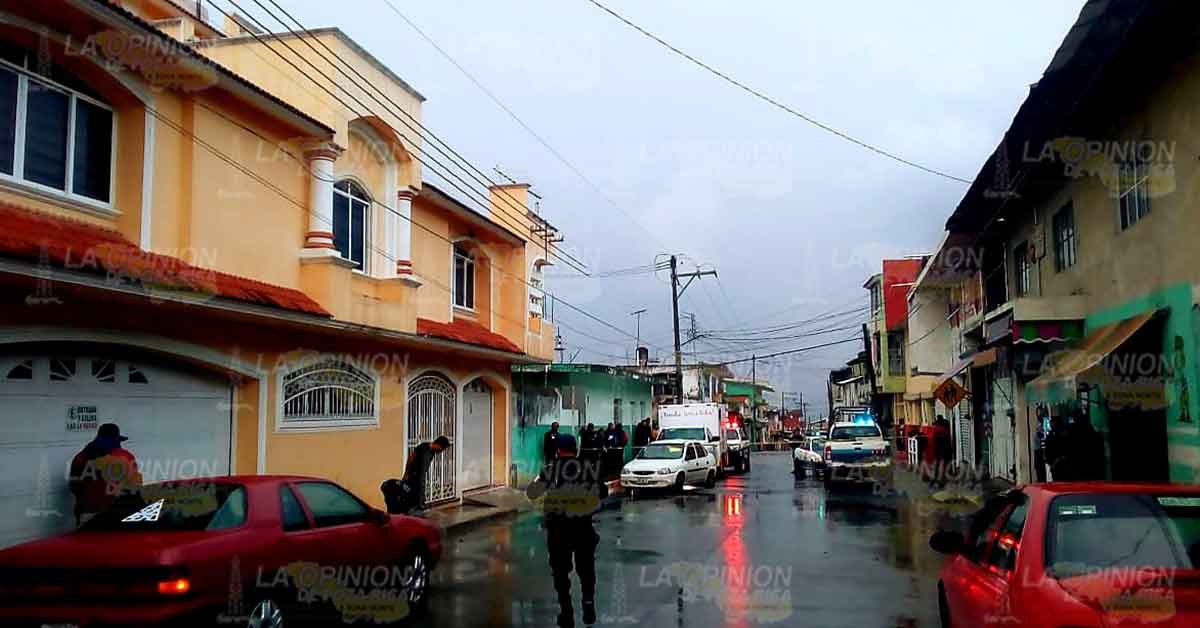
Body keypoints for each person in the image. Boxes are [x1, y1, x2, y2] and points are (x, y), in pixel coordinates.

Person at [526, 434, 608, 627]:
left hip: (558, 530)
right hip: (583, 527)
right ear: (575, 449)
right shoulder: (588, 469)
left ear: (558, 450)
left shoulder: (550, 470)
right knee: (586, 568)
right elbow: (603, 492)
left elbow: (532, 492)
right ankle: (588, 601)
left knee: (560, 571)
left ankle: (566, 609)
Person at [68, 423, 142, 526]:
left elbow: (74, 486)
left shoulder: (80, 457)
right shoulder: (125, 457)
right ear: (116, 440)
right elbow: (134, 488)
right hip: (116, 514)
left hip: (87, 512)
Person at [382, 435, 451, 515]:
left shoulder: (432, 453)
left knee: (418, 499)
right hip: (412, 478)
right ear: (438, 445)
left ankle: (416, 511)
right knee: (408, 499)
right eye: (442, 449)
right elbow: (411, 458)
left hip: (420, 479)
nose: (441, 451)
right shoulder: (423, 447)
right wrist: (406, 473)